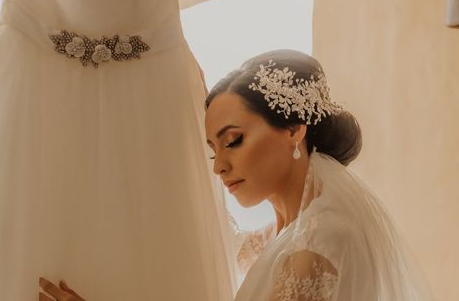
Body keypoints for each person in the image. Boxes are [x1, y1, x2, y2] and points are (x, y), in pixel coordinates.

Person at [39, 49, 433, 300]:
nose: (218, 165)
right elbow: (220, 242)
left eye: (234, 140)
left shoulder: (320, 242)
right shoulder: (288, 231)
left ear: (295, 129)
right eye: (213, 149)